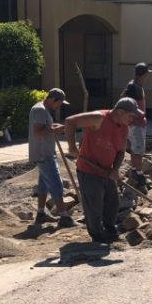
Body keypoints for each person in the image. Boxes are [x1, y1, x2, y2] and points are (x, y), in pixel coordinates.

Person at [65, 97, 142, 243]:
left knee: (113, 203)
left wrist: (115, 169)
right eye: (130, 116)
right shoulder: (99, 118)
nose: (132, 120)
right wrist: (72, 147)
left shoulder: (123, 127)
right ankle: (97, 236)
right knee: (94, 204)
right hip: (89, 170)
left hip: (107, 171)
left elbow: (121, 151)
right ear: (120, 112)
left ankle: (110, 230)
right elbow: (70, 122)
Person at [28, 88, 76, 227]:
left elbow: (44, 127)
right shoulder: (40, 110)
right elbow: (38, 131)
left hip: (45, 151)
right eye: (59, 103)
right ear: (52, 99)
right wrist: (57, 130)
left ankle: (41, 213)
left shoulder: (42, 109)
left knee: (43, 185)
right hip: (44, 153)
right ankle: (64, 217)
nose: (59, 106)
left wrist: (55, 126)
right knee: (56, 184)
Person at [121, 62, 151, 186]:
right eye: (146, 74)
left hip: (138, 123)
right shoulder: (133, 87)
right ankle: (138, 174)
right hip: (135, 124)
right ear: (141, 75)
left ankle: (135, 171)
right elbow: (125, 102)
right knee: (137, 149)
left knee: (136, 148)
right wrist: (136, 117)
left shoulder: (137, 85)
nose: (147, 77)